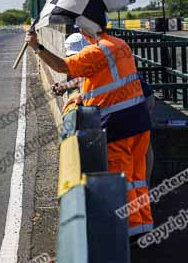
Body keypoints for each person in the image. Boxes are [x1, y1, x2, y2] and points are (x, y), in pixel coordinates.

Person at [26, 26, 153, 241]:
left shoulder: (94, 52)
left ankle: (126, 234)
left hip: (117, 126)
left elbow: (62, 65)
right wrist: (73, 88)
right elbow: (86, 79)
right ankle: (143, 225)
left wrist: (36, 46)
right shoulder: (116, 46)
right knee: (136, 178)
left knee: (120, 179)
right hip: (138, 121)